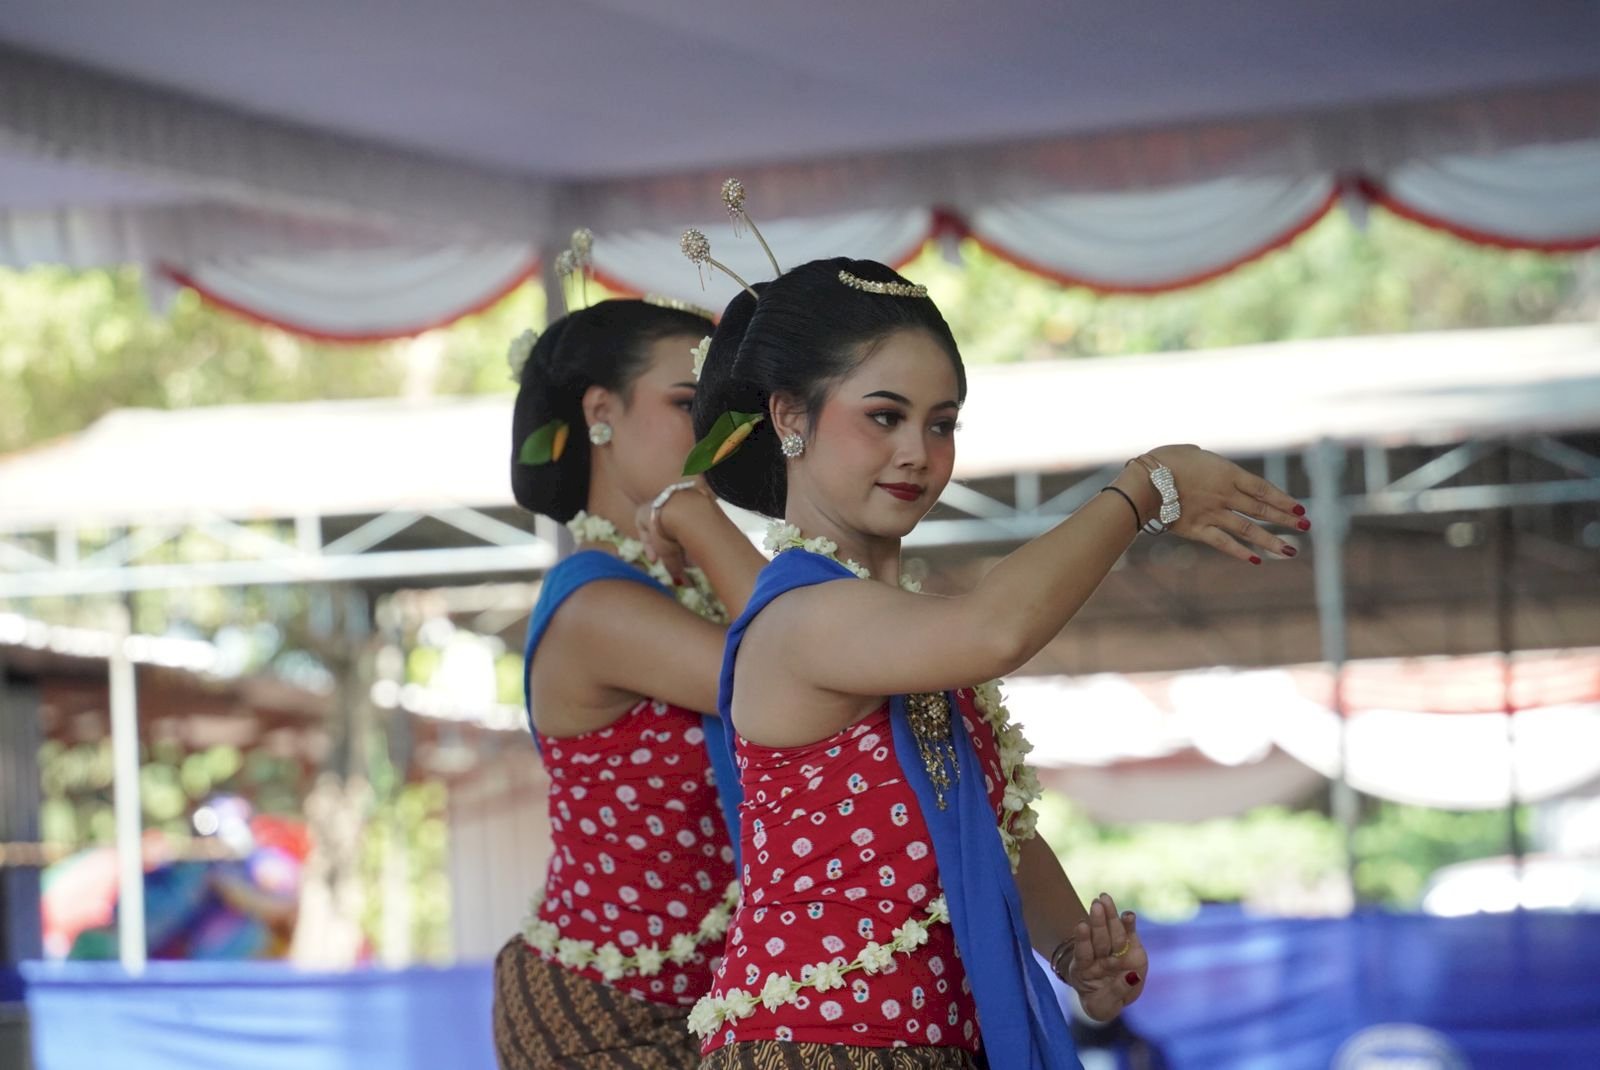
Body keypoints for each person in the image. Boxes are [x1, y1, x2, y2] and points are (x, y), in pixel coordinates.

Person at [681, 258, 1306, 1069]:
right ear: (789, 416)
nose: (917, 452)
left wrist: (1073, 950)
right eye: (884, 417)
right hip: (815, 1048)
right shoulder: (800, 615)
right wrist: (1143, 492)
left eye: (941, 424)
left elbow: (984, 825)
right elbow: (996, 629)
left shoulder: (893, 625)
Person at [493, 299, 767, 1070]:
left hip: (719, 1001)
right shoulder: (595, 603)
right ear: (600, 413)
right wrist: (703, 519)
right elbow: (788, 671)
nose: (713, 435)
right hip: (603, 1014)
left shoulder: (687, 593)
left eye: (721, 412)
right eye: (687, 406)